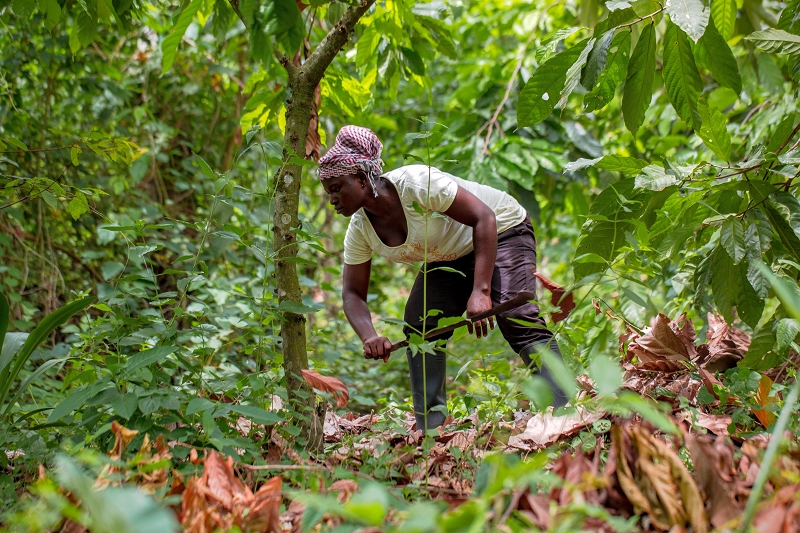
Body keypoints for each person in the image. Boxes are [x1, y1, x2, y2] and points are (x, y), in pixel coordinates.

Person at [318, 125, 567, 431]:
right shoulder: (360, 230)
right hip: (450, 255)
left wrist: (480, 290)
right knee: (421, 324)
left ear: (359, 178)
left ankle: (563, 411)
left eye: (336, 188)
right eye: (329, 191)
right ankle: (431, 428)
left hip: (501, 230)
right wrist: (369, 335)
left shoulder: (416, 184)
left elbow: (483, 217)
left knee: (517, 317)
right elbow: (352, 293)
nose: (332, 199)